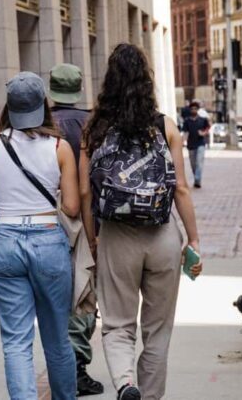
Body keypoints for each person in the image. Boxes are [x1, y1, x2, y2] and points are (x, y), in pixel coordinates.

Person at [80, 43, 203, 400]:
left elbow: (87, 194)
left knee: (118, 324)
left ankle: (125, 383)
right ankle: (148, 396)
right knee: (158, 329)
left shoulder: (95, 127)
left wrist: (92, 238)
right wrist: (193, 240)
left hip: (117, 235)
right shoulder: (165, 126)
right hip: (162, 234)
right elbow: (180, 188)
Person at [0, 72, 79, 399]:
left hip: (6, 240)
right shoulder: (60, 147)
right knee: (57, 339)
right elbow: (71, 206)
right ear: (43, 106)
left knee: (15, 341)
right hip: (47, 238)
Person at [48, 63, 104, 397]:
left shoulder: (42, 124)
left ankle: (64, 363)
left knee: (57, 297)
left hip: (49, 221)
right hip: (87, 220)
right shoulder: (92, 123)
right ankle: (77, 366)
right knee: (84, 294)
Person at [183, 100, 211, 188]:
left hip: (200, 144)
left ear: (198, 109)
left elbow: (208, 126)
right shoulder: (187, 121)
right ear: (190, 110)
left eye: (195, 108)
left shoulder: (202, 120)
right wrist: (183, 141)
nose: (193, 110)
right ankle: (197, 178)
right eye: (192, 109)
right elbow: (185, 133)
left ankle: (197, 180)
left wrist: (204, 133)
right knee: (193, 165)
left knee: (199, 162)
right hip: (191, 145)